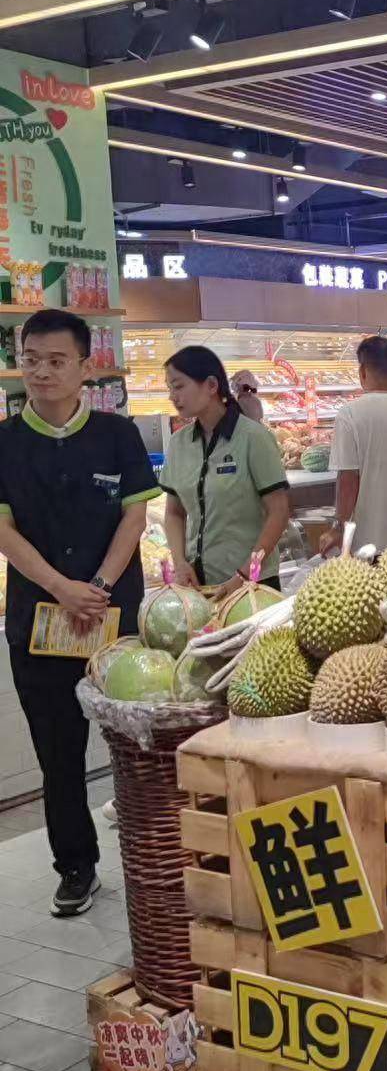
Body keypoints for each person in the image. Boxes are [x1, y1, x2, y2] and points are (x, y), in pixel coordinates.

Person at [0, 309, 159, 915]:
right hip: (38, 624)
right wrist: (62, 588)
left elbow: (134, 517)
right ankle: (76, 866)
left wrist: (97, 584)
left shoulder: (117, 434)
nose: (41, 372)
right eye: (31, 358)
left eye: (56, 360)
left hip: (111, 619)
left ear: (85, 367)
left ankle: (155, 853)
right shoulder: (5, 442)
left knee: (137, 745)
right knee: (58, 752)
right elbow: (5, 531)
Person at [160, 346, 291, 595]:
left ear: (211, 385)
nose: (172, 397)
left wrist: (244, 575)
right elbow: (174, 512)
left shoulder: (253, 438)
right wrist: (180, 563)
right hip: (199, 586)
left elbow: (279, 512)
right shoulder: (179, 444)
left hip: (253, 585)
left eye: (178, 386)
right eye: (169, 388)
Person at [320, 335, 387, 554]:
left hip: (370, 545)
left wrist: (338, 527)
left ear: (362, 371)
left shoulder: (349, 415)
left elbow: (348, 480)